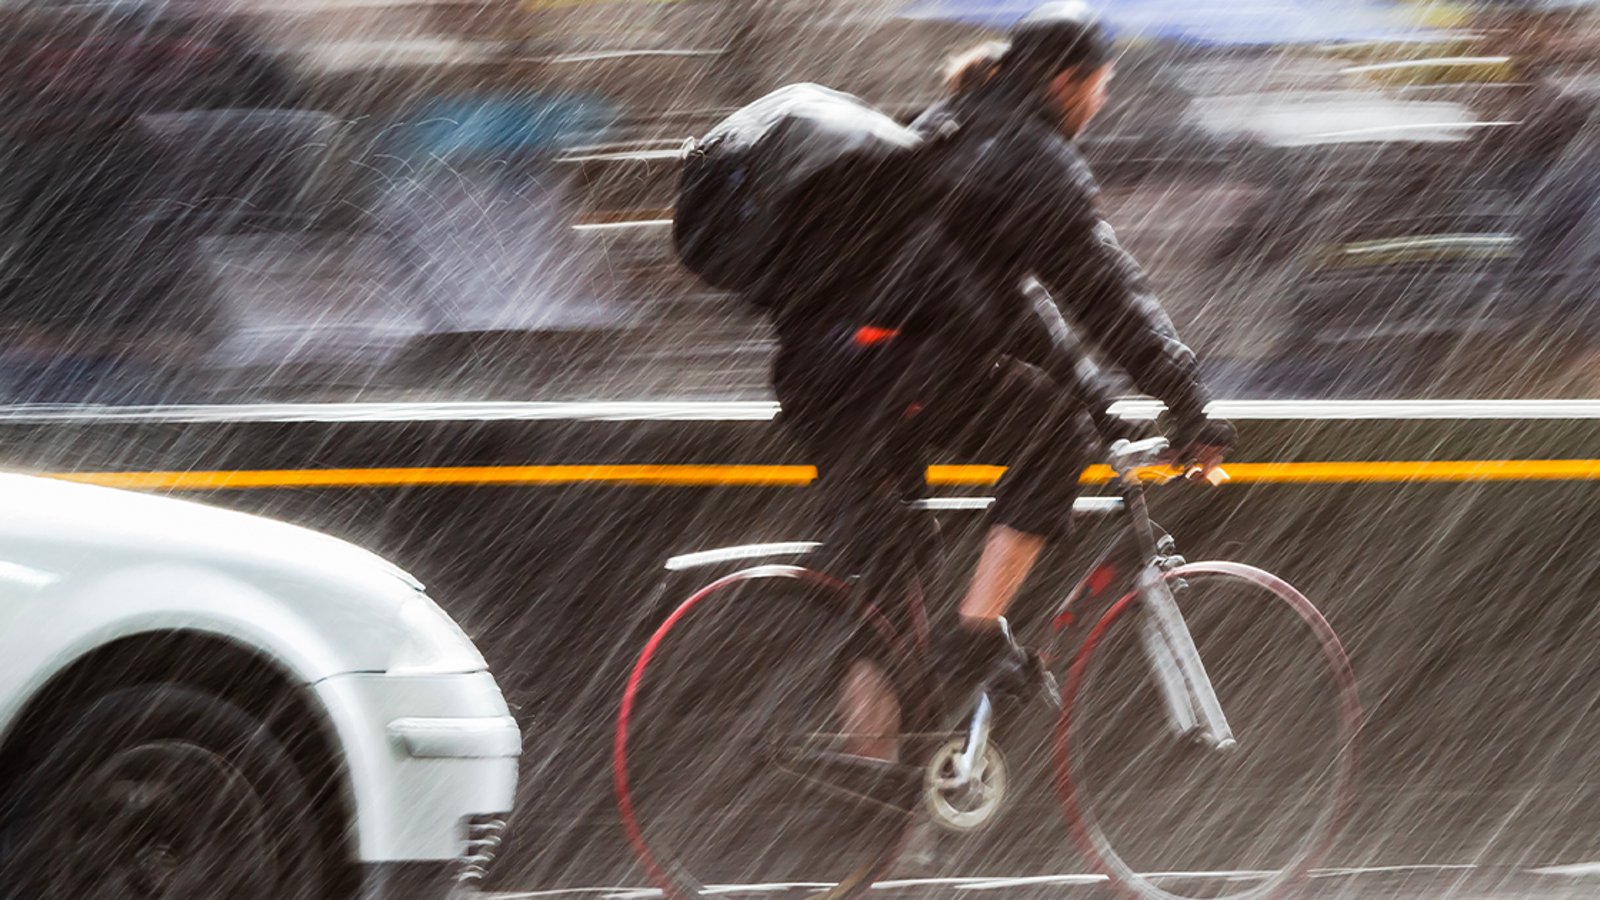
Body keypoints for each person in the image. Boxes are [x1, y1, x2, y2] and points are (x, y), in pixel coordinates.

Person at [762, 1, 1236, 711]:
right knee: (1051, 439)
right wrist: (1189, 402)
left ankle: (873, 790)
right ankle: (976, 639)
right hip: (892, 370)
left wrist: (1104, 406)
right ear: (1070, 80)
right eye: (1102, 88)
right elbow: (1107, 296)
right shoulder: (1032, 159)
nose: (1100, 107)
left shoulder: (938, 129)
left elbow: (1014, 313)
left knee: (886, 594)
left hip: (820, 371)